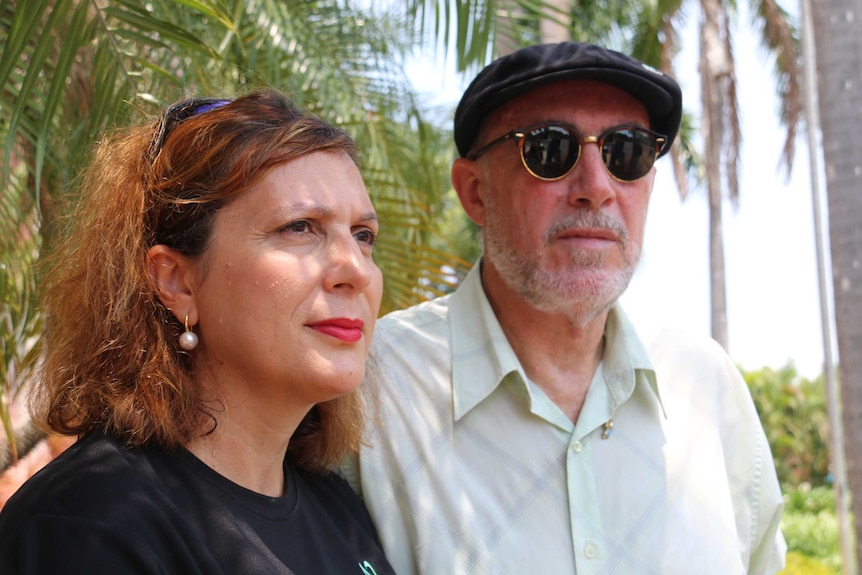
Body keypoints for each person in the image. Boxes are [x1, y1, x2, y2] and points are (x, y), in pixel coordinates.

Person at [347, 42, 787, 574]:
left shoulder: (705, 383)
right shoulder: (370, 387)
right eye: (551, 149)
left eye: (628, 152)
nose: (597, 188)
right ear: (475, 192)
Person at [0, 89, 395, 575]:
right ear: (177, 281)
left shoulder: (336, 506)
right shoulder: (89, 525)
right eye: (299, 227)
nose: (354, 269)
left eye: (363, 235)